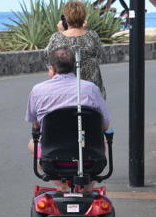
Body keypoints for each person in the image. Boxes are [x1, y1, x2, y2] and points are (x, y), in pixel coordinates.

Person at [26, 47, 110, 191]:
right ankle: (87, 189)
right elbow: (105, 126)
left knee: (32, 144)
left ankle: (62, 186)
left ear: (52, 69)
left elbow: (36, 125)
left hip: (52, 158)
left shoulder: (38, 90)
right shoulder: (90, 89)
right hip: (89, 157)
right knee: (102, 142)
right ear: (74, 67)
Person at [45, 0, 106, 99]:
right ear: (84, 17)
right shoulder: (92, 36)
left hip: (66, 92)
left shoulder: (56, 38)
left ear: (66, 18)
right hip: (91, 92)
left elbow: (48, 59)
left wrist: (61, 32)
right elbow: (101, 56)